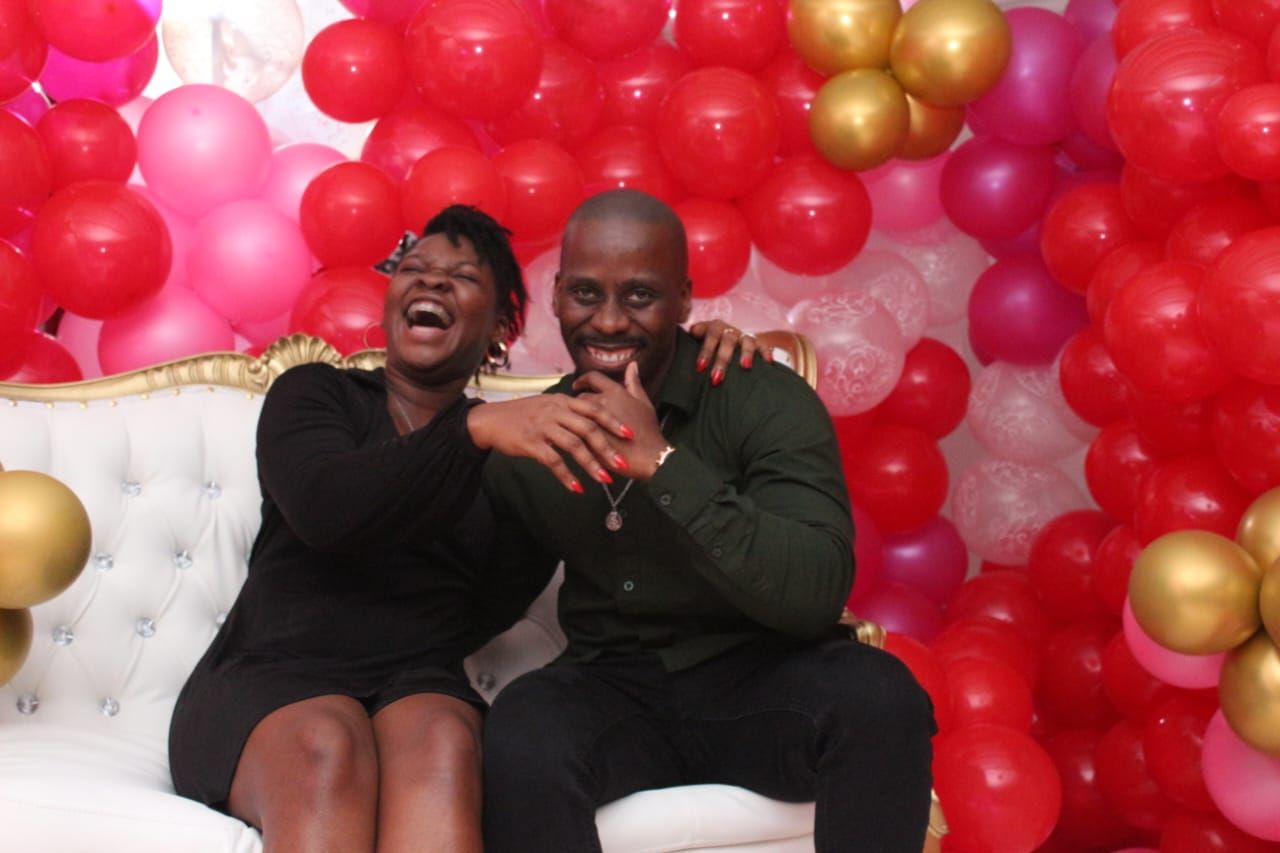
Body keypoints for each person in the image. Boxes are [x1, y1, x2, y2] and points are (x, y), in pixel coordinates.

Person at [168, 203, 758, 853]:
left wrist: (702, 358)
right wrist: (471, 431)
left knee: (447, 743)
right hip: (268, 679)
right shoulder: (315, 395)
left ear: (501, 327)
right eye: (415, 269)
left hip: (412, 685)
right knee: (328, 742)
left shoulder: (520, 455)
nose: (432, 282)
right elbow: (325, 509)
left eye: (462, 277)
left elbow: (491, 603)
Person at [480, 189, 937, 853]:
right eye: (585, 293)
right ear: (555, 297)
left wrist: (664, 465)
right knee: (525, 728)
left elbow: (815, 592)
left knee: (881, 697)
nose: (607, 321)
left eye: (640, 295)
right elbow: (469, 592)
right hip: (615, 689)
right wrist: (471, 433)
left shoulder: (761, 397)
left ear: (686, 299)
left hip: (761, 679)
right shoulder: (532, 440)